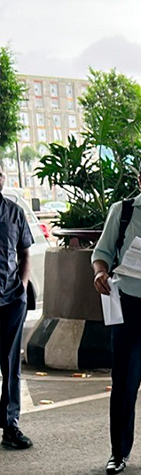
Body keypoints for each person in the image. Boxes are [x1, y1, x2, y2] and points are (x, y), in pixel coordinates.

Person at [92, 154, 141, 475]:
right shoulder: (122, 212)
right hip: (130, 306)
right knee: (125, 381)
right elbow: (102, 253)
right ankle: (118, 453)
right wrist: (99, 273)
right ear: (139, 181)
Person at [0, 163, 33, 451]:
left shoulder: (14, 212)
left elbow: (25, 253)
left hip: (11, 300)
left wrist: (22, 286)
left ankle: (10, 426)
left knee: (11, 365)